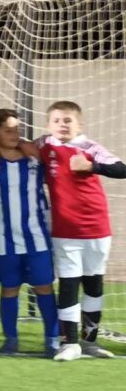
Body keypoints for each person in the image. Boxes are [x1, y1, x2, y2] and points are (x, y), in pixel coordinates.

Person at [38, 101, 126, 361]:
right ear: (48, 125)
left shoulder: (90, 148)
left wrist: (92, 167)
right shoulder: (45, 145)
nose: (62, 125)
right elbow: (22, 146)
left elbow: (122, 169)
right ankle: (70, 343)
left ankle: (90, 342)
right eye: (56, 120)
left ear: (80, 125)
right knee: (68, 284)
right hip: (65, 231)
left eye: (67, 121)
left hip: (98, 229)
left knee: (94, 285)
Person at [0, 108, 60, 356]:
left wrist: (25, 143)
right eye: (8, 130)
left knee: (44, 287)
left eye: (18, 129)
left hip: (37, 239)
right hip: (4, 241)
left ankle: (52, 339)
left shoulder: (34, 157)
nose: (15, 134)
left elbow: (53, 141)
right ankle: (10, 339)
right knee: (9, 289)